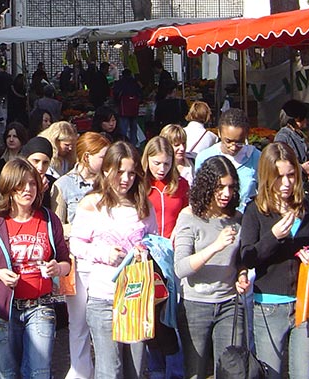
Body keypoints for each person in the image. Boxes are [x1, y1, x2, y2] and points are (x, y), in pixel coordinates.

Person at [0, 158, 72, 379]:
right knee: (7, 373)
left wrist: (57, 268)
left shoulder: (49, 220)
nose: (28, 190)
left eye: (32, 184)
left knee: (39, 372)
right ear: (8, 187)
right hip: (3, 311)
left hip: (41, 306)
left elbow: (65, 262)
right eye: (21, 184)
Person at [70, 141, 155, 379]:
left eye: (131, 173)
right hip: (104, 297)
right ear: (106, 170)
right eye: (120, 172)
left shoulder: (143, 206)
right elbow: (77, 244)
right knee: (110, 370)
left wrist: (145, 250)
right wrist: (103, 254)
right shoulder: (92, 203)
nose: (126, 179)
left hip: (137, 297)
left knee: (136, 370)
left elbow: (155, 241)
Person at [239, 142, 309, 379]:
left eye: (291, 175)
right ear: (267, 176)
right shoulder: (255, 210)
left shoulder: (304, 208)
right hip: (270, 303)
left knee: (303, 373)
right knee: (270, 372)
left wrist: (305, 252)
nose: (286, 184)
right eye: (279, 177)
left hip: (304, 301)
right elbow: (248, 256)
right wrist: (273, 237)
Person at [174, 156, 251, 379]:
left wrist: (242, 274)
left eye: (230, 187)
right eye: (220, 187)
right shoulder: (190, 217)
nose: (226, 194)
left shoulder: (237, 218)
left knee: (231, 370)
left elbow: (240, 260)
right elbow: (181, 268)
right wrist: (215, 246)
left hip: (229, 303)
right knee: (195, 372)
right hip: (196, 305)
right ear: (207, 187)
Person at [52, 132, 111, 379]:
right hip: (76, 264)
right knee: (78, 324)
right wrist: (83, 229)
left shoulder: (109, 183)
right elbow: (56, 225)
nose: (109, 164)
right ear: (87, 157)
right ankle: (80, 372)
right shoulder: (63, 185)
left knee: (104, 323)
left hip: (105, 262)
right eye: (103, 157)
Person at [142, 135, 191, 379]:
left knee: (171, 314)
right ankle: (157, 368)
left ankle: (174, 369)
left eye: (166, 163)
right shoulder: (140, 185)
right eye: (156, 163)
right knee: (152, 315)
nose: (162, 169)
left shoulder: (180, 185)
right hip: (147, 257)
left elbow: (187, 217)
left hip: (173, 256)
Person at [194, 108, 261, 212]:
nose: (233, 147)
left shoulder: (256, 157)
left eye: (239, 142)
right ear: (219, 133)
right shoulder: (204, 157)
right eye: (228, 141)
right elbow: (199, 194)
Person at [274, 100, 309, 213]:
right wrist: (301, 168)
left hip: (301, 184)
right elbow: (279, 163)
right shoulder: (283, 136)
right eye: (302, 118)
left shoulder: (298, 133)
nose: (305, 121)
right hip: (293, 187)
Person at [21, 136, 57, 209]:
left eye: (45, 163)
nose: (40, 168)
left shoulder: (54, 184)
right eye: (36, 161)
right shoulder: (15, 180)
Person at [112, 70, 143, 145]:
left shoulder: (120, 83)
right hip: (134, 109)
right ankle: (133, 146)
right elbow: (140, 94)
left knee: (123, 129)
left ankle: (124, 145)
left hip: (124, 109)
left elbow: (115, 94)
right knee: (134, 129)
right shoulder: (135, 82)